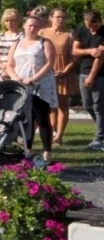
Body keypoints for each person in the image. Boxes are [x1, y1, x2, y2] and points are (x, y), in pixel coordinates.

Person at [5, 14, 58, 164]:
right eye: (29, 25)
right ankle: (28, 150)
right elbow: (9, 64)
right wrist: (15, 77)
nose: (32, 28)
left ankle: (47, 151)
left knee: (42, 118)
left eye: (35, 26)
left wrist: (33, 78)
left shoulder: (44, 42)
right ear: (24, 26)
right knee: (26, 120)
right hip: (22, 85)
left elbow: (49, 64)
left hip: (40, 85)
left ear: (39, 28)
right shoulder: (17, 43)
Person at [42, 8, 78, 146]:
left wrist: (65, 70)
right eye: (58, 17)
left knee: (62, 104)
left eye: (63, 17)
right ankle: (51, 132)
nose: (60, 19)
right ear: (51, 18)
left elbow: (75, 56)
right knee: (50, 104)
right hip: (46, 72)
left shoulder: (69, 35)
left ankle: (60, 136)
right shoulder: (42, 33)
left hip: (64, 73)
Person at [75, 10, 104, 151]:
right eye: (89, 26)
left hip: (99, 74)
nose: (91, 29)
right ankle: (102, 130)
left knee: (99, 106)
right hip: (83, 72)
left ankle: (99, 138)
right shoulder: (81, 31)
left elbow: (100, 57)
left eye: (94, 26)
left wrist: (92, 76)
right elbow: (75, 50)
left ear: (100, 21)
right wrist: (90, 51)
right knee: (87, 105)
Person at [0, 8, 22, 81]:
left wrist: (10, 67)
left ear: (18, 21)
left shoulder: (22, 35)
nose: (9, 23)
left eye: (12, 21)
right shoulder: (1, 35)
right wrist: (0, 65)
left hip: (16, 71)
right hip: (1, 71)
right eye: (7, 21)